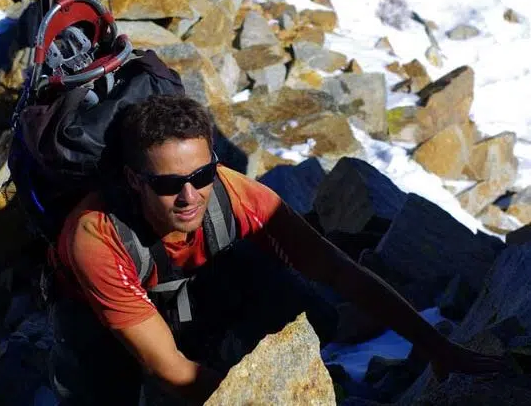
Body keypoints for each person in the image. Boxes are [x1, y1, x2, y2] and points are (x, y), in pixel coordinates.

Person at [49, 95, 507, 405]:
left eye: (202, 176)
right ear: (134, 179)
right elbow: (166, 367)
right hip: (102, 318)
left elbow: (338, 271)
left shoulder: (236, 194)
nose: (189, 196)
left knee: (305, 309)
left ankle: (226, 351)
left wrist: (437, 348)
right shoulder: (97, 237)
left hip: (186, 286)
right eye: (169, 184)